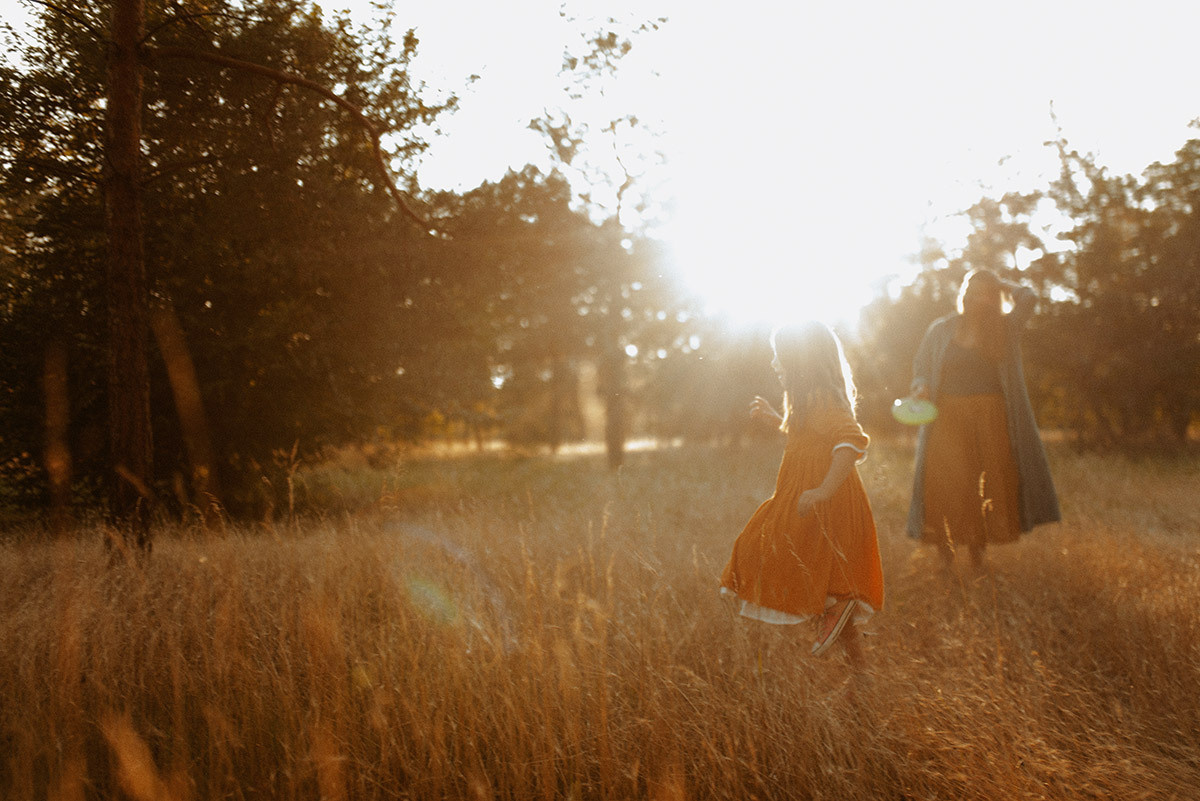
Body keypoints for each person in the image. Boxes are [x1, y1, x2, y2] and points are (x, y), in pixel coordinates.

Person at [720, 322, 884, 658]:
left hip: (820, 501)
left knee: (753, 549)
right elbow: (810, 440)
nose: (774, 364)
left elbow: (849, 441)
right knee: (816, 581)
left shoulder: (820, 399)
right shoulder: (810, 401)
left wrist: (823, 490)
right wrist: (777, 419)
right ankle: (858, 671)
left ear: (801, 362)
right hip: (805, 498)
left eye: (780, 357)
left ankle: (839, 611)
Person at [906, 269, 1060, 571]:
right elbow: (921, 365)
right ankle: (945, 559)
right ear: (963, 293)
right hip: (946, 417)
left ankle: (978, 558)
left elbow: (1029, 297)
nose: (976, 298)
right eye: (970, 291)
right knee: (944, 484)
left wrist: (1000, 284)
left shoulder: (1004, 327)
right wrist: (920, 384)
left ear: (993, 298)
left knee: (983, 486)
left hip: (989, 418)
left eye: (983, 293)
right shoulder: (941, 329)